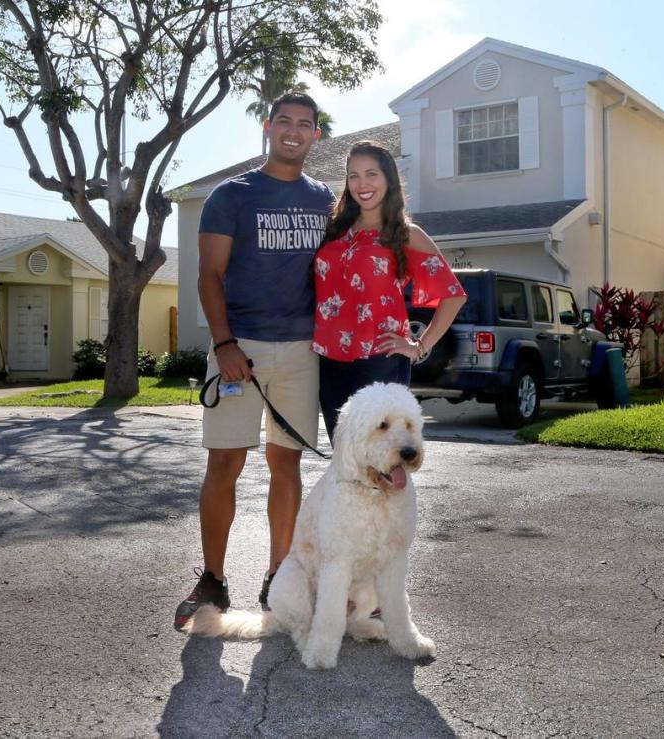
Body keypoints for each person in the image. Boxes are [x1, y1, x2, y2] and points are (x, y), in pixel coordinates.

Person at [174, 92, 336, 631]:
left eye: (305, 124)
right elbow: (208, 275)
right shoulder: (232, 195)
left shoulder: (324, 200)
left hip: (299, 350)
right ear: (268, 127)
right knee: (224, 463)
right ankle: (214, 579)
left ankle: (279, 576)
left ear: (316, 134)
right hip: (238, 348)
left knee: (285, 463)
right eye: (284, 121)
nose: (293, 131)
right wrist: (224, 345)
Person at [311, 140, 467, 437]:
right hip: (329, 359)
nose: (362, 184)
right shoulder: (335, 230)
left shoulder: (407, 235)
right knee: (345, 454)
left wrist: (419, 346)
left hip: (379, 360)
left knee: (380, 458)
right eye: (353, 175)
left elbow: (453, 295)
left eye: (372, 174)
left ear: (388, 179)